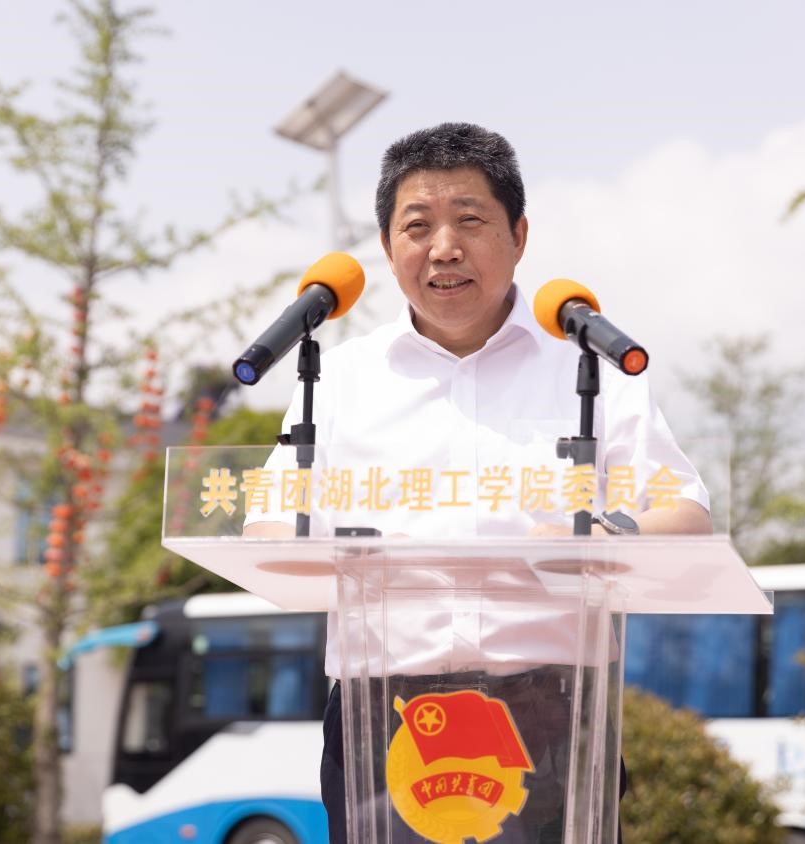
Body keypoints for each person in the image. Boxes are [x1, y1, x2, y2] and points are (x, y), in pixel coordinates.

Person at [246, 122, 711, 842]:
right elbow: (268, 524)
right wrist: (329, 554)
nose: (443, 248)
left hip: (551, 714)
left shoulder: (588, 372)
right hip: (382, 719)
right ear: (387, 247)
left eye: (469, 220)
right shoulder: (338, 380)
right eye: (417, 226)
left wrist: (600, 535)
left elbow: (686, 514)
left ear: (518, 235)